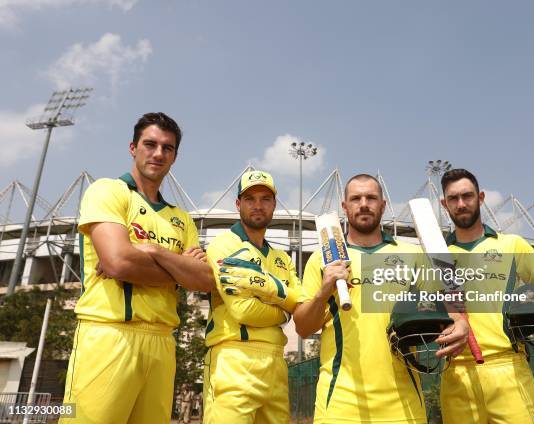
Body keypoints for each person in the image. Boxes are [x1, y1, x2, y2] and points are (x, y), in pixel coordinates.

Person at [60, 112, 214, 423]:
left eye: (167, 148)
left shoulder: (181, 218)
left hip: (162, 342)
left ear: (175, 156)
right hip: (109, 334)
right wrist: (178, 271)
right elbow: (118, 262)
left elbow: (204, 279)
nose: (158, 153)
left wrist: (153, 251)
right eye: (150, 144)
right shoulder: (107, 191)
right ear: (133, 148)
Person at [293, 174, 469, 424]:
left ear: (383, 205)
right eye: (356, 198)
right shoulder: (323, 260)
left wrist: (460, 321)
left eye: (371, 198)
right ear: (345, 207)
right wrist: (323, 292)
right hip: (340, 403)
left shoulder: (412, 255)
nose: (363, 204)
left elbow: (448, 299)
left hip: (403, 404)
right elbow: (302, 327)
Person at [438, 168, 534, 424]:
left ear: (480, 197)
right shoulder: (438, 256)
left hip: (508, 369)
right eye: (453, 198)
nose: (461, 204)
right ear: (443, 204)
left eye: (467, 196)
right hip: (456, 375)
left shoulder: (510, 245)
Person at [204, 170, 301, 424]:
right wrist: (283, 311)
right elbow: (243, 311)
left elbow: (300, 304)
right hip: (233, 358)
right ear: (238, 204)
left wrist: (270, 288)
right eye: (250, 199)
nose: (258, 205)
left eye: (265, 199)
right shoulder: (223, 245)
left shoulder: (283, 258)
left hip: (276, 362)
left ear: (274, 205)